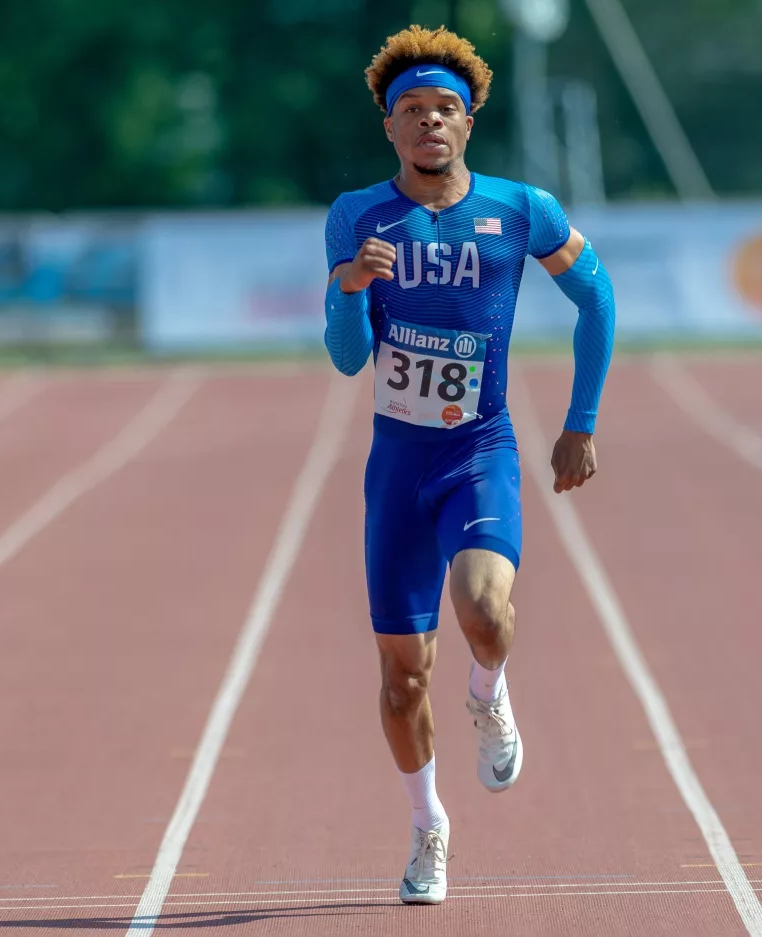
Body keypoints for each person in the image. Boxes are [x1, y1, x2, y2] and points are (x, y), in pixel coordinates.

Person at [321, 24, 616, 905]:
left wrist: (580, 423)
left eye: (444, 107)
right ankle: (428, 826)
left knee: (486, 613)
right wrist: (351, 287)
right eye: (411, 109)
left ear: (468, 121)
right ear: (389, 126)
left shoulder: (522, 209)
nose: (429, 122)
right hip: (397, 467)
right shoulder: (357, 216)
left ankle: (489, 692)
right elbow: (347, 358)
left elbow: (596, 296)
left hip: (479, 449)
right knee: (402, 678)